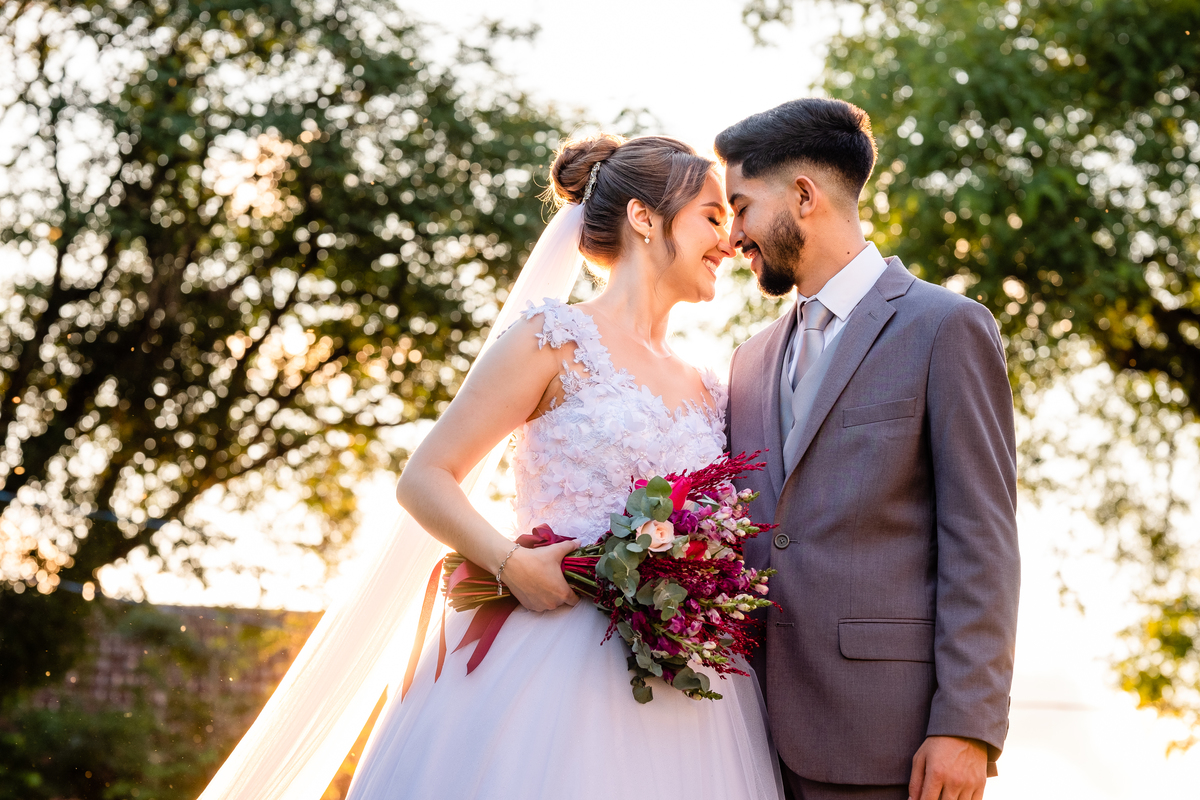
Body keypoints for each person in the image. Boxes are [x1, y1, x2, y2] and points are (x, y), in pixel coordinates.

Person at [345, 134, 784, 800]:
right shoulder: (552, 338)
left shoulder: (710, 386)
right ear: (644, 218)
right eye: (713, 217)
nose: (731, 242)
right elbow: (426, 477)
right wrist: (509, 563)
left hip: (682, 688)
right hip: (546, 662)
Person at [718, 98, 1020, 800]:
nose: (735, 234)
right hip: (743, 736)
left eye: (741, 206)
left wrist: (967, 727)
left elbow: (982, 539)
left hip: (890, 739)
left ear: (803, 195)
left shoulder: (946, 327)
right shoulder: (749, 361)